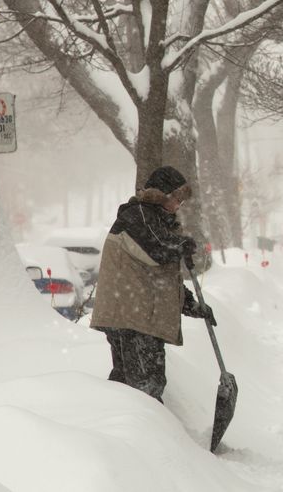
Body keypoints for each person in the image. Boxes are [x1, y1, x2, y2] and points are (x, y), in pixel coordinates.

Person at [90, 166, 216, 402]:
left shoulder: (155, 220)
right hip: (131, 318)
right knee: (146, 387)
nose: (179, 204)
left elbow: (161, 278)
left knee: (127, 386)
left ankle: (117, 430)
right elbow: (158, 249)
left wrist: (191, 305)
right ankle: (142, 434)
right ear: (162, 194)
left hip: (133, 317)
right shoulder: (137, 215)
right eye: (177, 198)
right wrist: (180, 245)